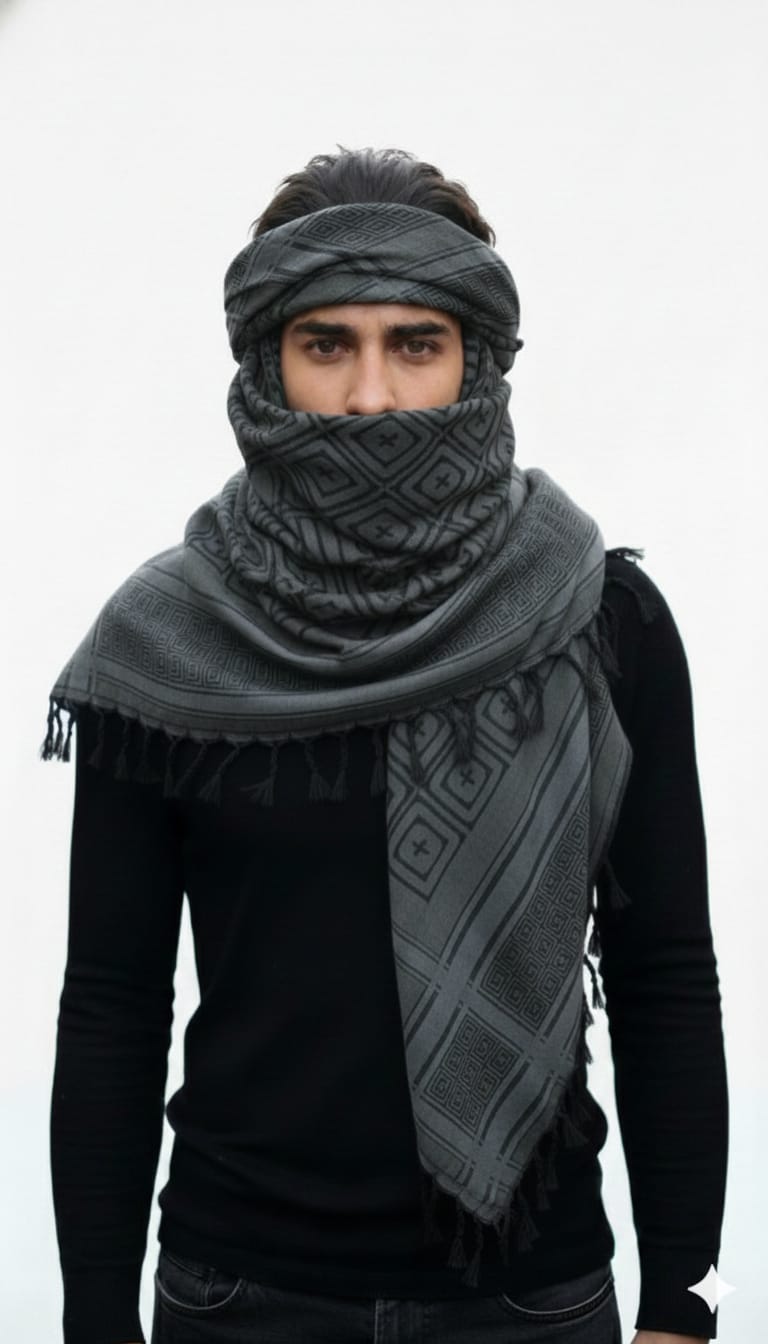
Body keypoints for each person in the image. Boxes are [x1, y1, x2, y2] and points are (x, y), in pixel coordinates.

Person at [44, 146, 727, 1344]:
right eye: (327, 345)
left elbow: (663, 971)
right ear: (268, 362)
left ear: (477, 360)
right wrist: (96, 1310)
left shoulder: (597, 621)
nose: (371, 395)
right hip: (239, 1295)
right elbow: (113, 999)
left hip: (529, 1299)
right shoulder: (166, 644)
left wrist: (682, 1296)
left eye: (416, 343)